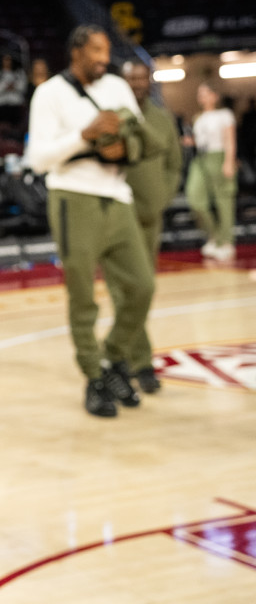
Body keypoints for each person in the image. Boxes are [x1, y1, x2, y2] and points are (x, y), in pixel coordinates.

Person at [27, 25, 154, 418]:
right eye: (96, 51)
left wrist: (123, 147)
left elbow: (142, 137)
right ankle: (94, 378)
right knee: (83, 298)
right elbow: (38, 159)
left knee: (142, 287)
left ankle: (113, 357)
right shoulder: (49, 94)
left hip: (118, 196)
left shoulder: (117, 86)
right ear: (77, 52)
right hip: (73, 198)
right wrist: (85, 135)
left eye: (106, 51)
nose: (104, 58)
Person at [117, 61, 181, 394]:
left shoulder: (162, 118)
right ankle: (138, 362)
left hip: (149, 216)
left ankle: (120, 356)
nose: (137, 83)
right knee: (124, 291)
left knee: (142, 290)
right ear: (122, 81)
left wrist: (163, 196)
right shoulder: (114, 116)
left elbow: (174, 164)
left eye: (142, 77)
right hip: (116, 215)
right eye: (131, 78)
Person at [185, 82, 238, 262]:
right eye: (200, 94)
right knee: (195, 198)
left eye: (206, 93)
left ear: (215, 95)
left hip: (219, 155)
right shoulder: (198, 117)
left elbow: (230, 139)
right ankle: (214, 236)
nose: (203, 97)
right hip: (201, 158)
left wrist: (229, 161)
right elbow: (201, 140)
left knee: (223, 200)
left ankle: (226, 242)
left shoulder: (224, 114)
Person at [0, 54, 28, 129]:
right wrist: (4, 87)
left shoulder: (19, 71)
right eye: (5, 59)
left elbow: (24, 87)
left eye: (9, 60)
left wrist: (14, 86)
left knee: (16, 129)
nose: (7, 62)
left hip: (15, 107)